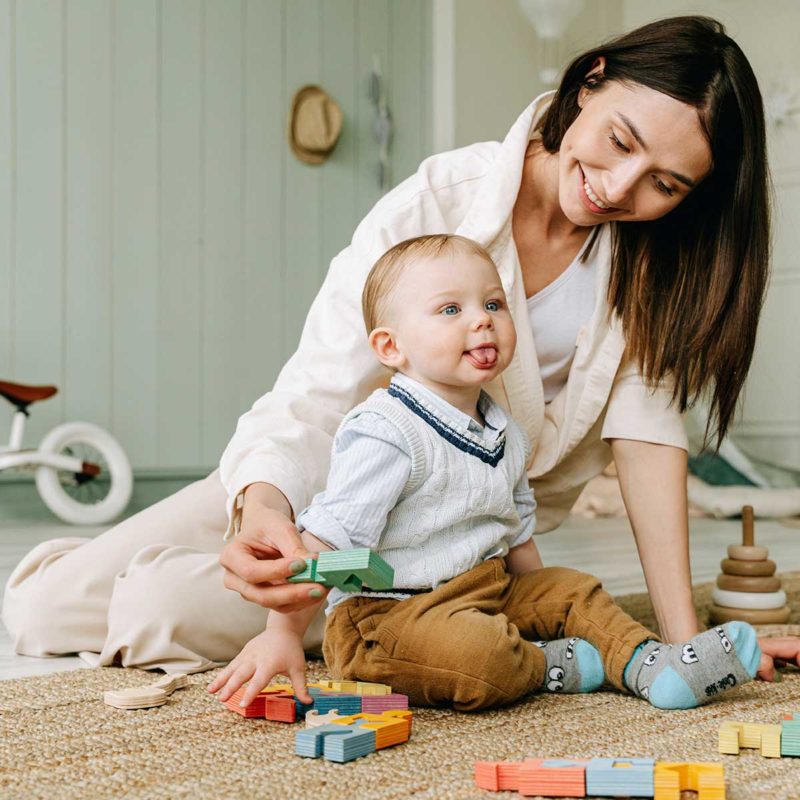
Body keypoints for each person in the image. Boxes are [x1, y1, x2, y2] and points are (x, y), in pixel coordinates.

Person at [2, 16, 793, 676]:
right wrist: (263, 505)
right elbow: (313, 394)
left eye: (665, 183)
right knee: (36, 610)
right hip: (322, 477)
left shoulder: (655, 270)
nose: (621, 188)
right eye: (621, 141)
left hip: (434, 549)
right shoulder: (438, 202)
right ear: (588, 81)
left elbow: (647, 442)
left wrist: (687, 642)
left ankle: (220, 592)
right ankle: (131, 559)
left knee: (154, 610)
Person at [208, 234, 767, 713]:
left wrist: (547, 605)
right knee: (481, 655)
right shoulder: (386, 431)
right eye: (451, 310)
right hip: (388, 619)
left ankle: (655, 667)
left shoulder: (504, 429)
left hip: (483, 588)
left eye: (494, 304)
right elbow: (331, 544)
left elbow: (515, 529)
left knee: (577, 591)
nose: (482, 320)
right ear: (390, 346)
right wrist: (280, 634)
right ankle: (544, 665)